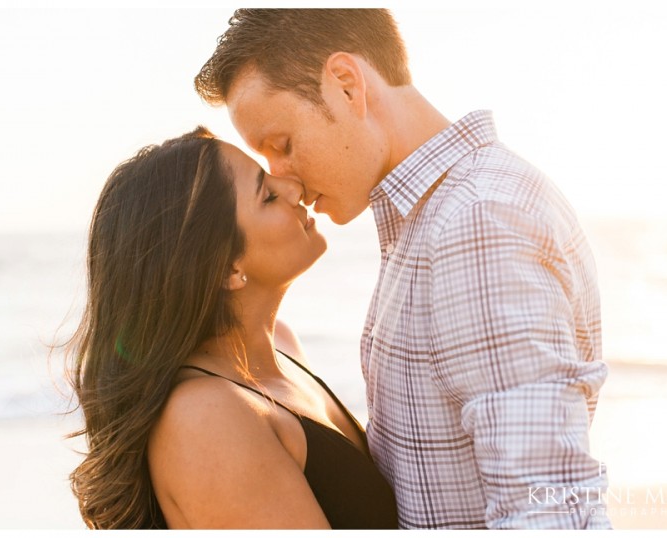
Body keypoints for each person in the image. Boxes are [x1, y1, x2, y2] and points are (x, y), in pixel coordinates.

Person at [194, 8, 611, 529]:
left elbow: (547, 509)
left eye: (283, 145)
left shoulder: (476, 222)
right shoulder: (433, 219)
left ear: (347, 84)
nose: (287, 182)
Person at [65, 127, 398, 529]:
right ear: (226, 267)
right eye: (268, 196)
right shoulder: (204, 419)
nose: (293, 188)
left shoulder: (284, 349)